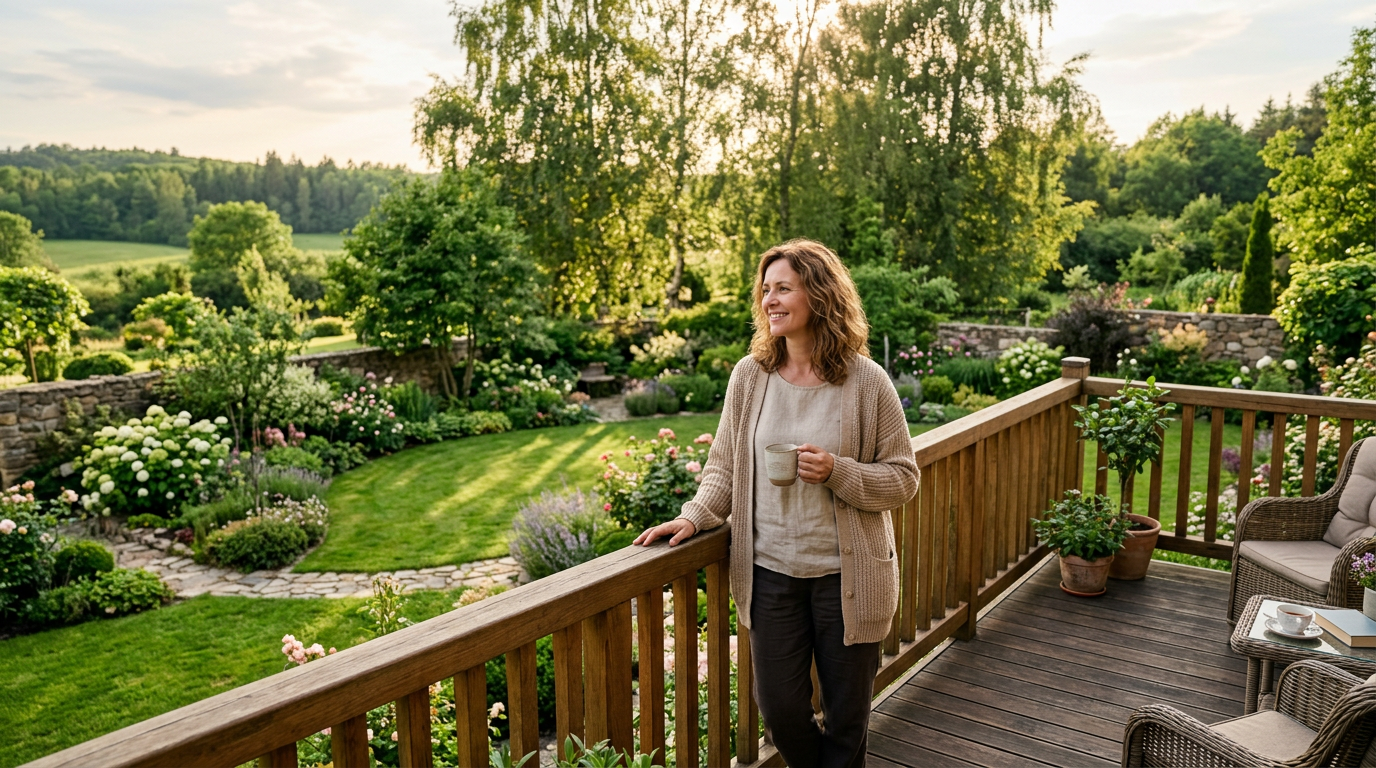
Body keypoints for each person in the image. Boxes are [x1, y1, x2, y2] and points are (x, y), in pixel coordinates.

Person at [634, 239, 918, 767]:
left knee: (847, 718)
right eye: (766, 290)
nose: (770, 300)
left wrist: (838, 471)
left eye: (783, 288)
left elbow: (903, 479)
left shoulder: (866, 382)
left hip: (846, 577)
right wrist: (692, 517)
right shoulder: (751, 375)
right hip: (771, 574)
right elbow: (723, 465)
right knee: (782, 711)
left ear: (820, 293)